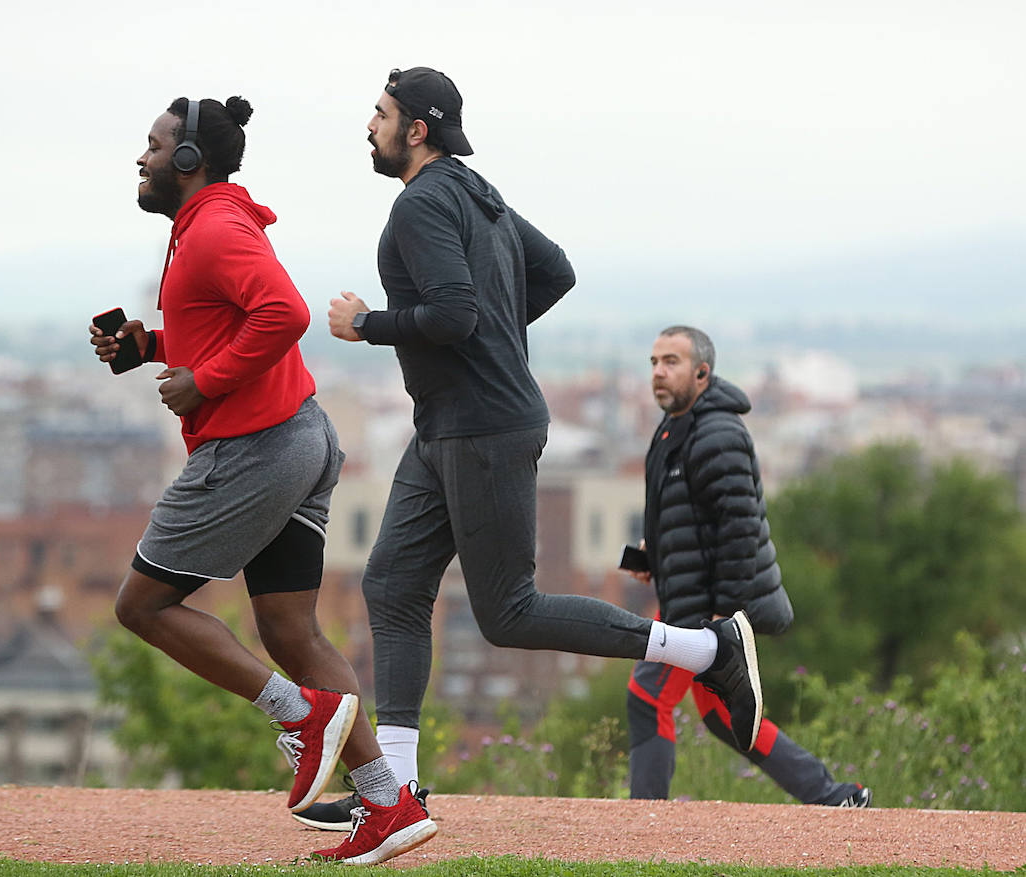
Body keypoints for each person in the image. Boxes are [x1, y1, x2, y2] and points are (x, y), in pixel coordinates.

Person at [303, 66, 765, 831]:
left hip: (481, 427)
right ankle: (395, 794)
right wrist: (499, 339)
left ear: (417, 128)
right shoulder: (477, 193)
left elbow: (452, 313)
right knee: (390, 584)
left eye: (381, 113)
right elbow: (555, 272)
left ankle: (706, 648)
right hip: (446, 424)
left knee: (509, 610)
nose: (370, 125)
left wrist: (368, 324)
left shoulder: (422, 205)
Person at [90, 95, 436, 865]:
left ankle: (298, 715)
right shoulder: (215, 223)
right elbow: (230, 318)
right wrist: (147, 345)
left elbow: (282, 312)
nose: (140, 160)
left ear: (189, 161)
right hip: (302, 436)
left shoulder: (211, 227)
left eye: (152, 147)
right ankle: (387, 802)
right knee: (290, 629)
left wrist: (203, 379)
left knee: (142, 604)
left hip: (253, 447)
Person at [624, 325, 871, 807]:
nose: (658, 372)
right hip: (690, 600)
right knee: (722, 715)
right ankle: (831, 795)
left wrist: (724, 622)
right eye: (654, 362)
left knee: (648, 698)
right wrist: (654, 556)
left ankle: (643, 826)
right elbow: (694, 518)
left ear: (702, 372)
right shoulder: (677, 425)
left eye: (671, 362)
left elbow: (739, 531)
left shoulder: (718, 434)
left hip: (704, 612)